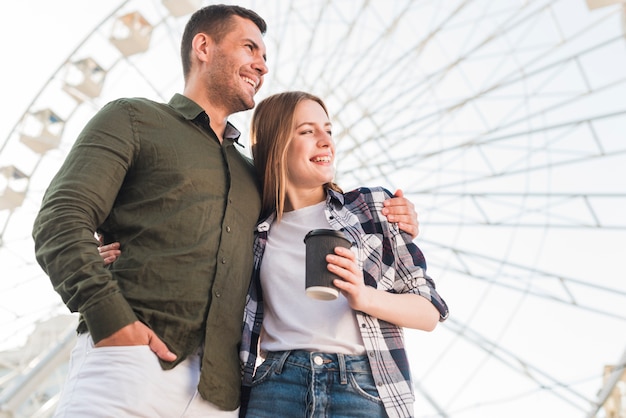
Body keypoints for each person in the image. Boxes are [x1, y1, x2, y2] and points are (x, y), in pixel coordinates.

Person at [32, 5, 419, 418]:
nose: (262, 66)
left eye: (266, 57)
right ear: (203, 46)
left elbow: (313, 212)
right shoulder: (134, 119)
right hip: (129, 364)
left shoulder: (255, 177)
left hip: (219, 394)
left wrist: (392, 214)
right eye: (250, 48)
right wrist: (111, 320)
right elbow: (61, 219)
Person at [238, 91, 449, 418]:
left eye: (329, 130)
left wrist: (361, 295)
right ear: (274, 145)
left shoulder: (372, 208)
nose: (325, 141)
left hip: (362, 387)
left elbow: (429, 311)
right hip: (276, 386)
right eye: (307, 131)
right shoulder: (253, 231)